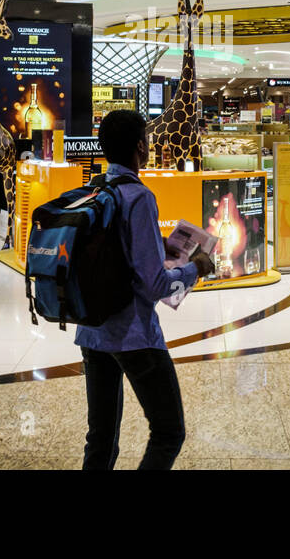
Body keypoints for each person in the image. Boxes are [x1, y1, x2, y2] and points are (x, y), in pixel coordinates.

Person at [76, 110, 214, 470]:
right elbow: (154, 285)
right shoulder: (138, 196)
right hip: (132, 334)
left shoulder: (95, 190)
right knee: (169, 431)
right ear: (140, 146)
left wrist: (160, 251)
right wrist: (195, 267)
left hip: (91, 331)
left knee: (101, 437)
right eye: (147, 140)